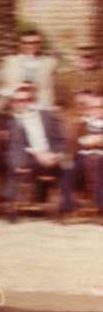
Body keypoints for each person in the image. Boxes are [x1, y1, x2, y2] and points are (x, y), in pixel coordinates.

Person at [1, 83, 76, 221]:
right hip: (28, 157)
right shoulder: (10, 121)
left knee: (68, 165)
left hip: (51, 156)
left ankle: (65, 209)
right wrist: (38, 154)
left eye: (26, 100)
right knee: (15, 162)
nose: (22, 104)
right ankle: (11, 205)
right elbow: (13, 146)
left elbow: (60, 140)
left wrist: (55, 155)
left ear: (32, 101)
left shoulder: (47, 116)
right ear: (13, 103)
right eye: (18, 100)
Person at [0, 30, 59, 111]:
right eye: (27, 43)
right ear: (20, 44)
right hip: (16, 107)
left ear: (40, 44)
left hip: (43, 107)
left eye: (35, 42)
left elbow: (58, 87)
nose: (31, 46)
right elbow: (0, 85)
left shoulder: (50, 62)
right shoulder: (10, 62)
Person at [70, 89, 103, 217]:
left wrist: (99, 140)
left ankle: (100, 205)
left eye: (100, 107)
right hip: (83, 156)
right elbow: (74, 142)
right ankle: (70, 205)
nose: (97, 110)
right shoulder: (82, 122)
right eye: (93, 107)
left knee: (99, 163)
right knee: (70, 168)